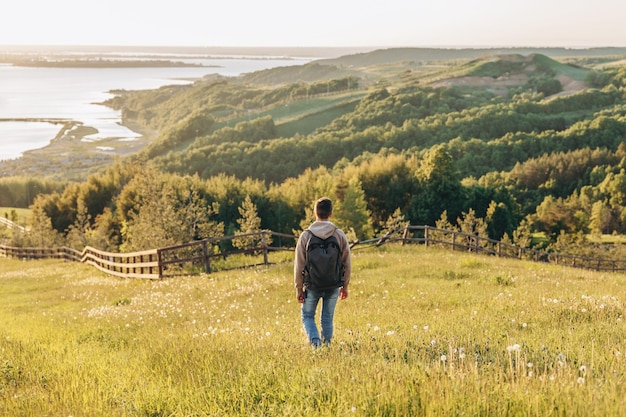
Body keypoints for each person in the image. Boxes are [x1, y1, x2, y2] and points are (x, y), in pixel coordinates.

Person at [294, 197, 351, 347]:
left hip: (312, 285)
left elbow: (299, 264)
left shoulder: (306, 235)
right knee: (327, 317)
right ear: (331, 213)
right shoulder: (339, 234)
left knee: (307, 315)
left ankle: (315, 343)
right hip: (333, 284)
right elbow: (347, 263)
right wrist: (345, 286)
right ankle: (326, 346)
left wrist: (299, 288)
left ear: (315, 213)